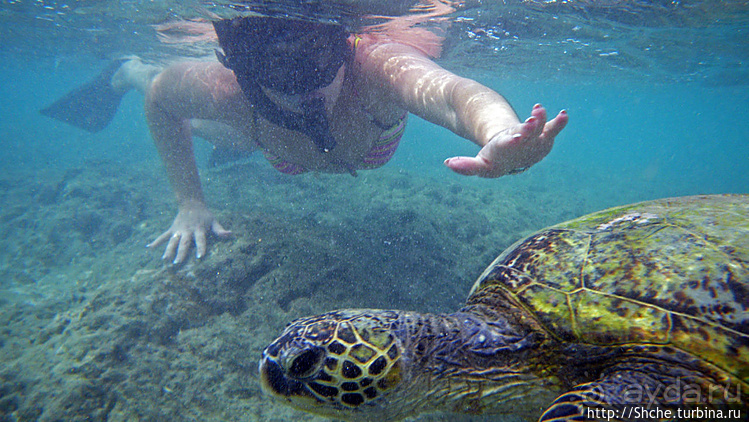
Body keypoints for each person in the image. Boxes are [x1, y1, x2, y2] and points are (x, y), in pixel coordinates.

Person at [42, 15, 568, 264]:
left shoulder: (376, 63)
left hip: (352, 147)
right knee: (228, 132)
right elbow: (161, 100)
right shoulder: (227, 88)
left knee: (239, 136)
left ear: (341, 48)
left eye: (312, 67)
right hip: (274, 148)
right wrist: (190, 202)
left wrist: (497, 131)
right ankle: (127, 70)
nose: (297, 94)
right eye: (270, 74)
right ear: (240, 66)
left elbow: (454, 94)